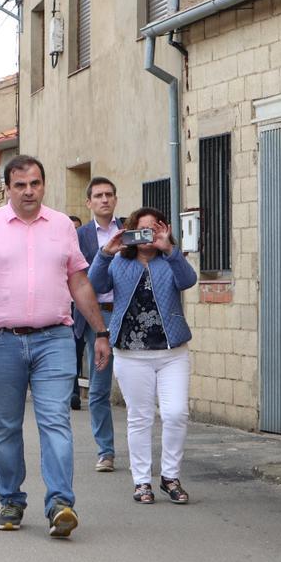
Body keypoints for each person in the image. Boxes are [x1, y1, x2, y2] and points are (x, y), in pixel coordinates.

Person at [0, 155, 109, 537]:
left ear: (44, 185)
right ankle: (11, 499)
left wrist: (100, 332)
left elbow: (79, 282)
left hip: (54, 338)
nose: (29, 191)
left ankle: (61, 503)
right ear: (8, 188)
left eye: (35, 183)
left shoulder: (61, 226)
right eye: (21, 184)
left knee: (55, 419)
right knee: (5, 427)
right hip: (1, 341)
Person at [88, 207, 197, 505]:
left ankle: (170, 477)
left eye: (155, 228)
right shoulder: (120, 264)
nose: (148, 235)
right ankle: (141, 482)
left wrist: (171, 250)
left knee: (176, 413)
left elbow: (188, 281)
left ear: (164, 230)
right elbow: (95, 285)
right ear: (131, 233)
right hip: (131, 353)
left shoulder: (171, 260)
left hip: (172, 351)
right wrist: (106, 253)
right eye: (142, 229)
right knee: (140, 417)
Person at [73, 177, 122, 472]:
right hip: (98, 315)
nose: (104, 200)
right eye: (98, 196)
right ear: (89, 203)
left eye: (109, 195)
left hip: (128, 313)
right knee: (100, 385)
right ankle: (106, 450)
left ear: (115, 199)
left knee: (135, 383)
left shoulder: (128, 230)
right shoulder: (81, 236)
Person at [68, 214, 85, 411]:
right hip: (67, 307)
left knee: (79, 350)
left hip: (84, 305)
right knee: (71, 349)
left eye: (77, 229)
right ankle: (73, 392)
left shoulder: (86, 251)